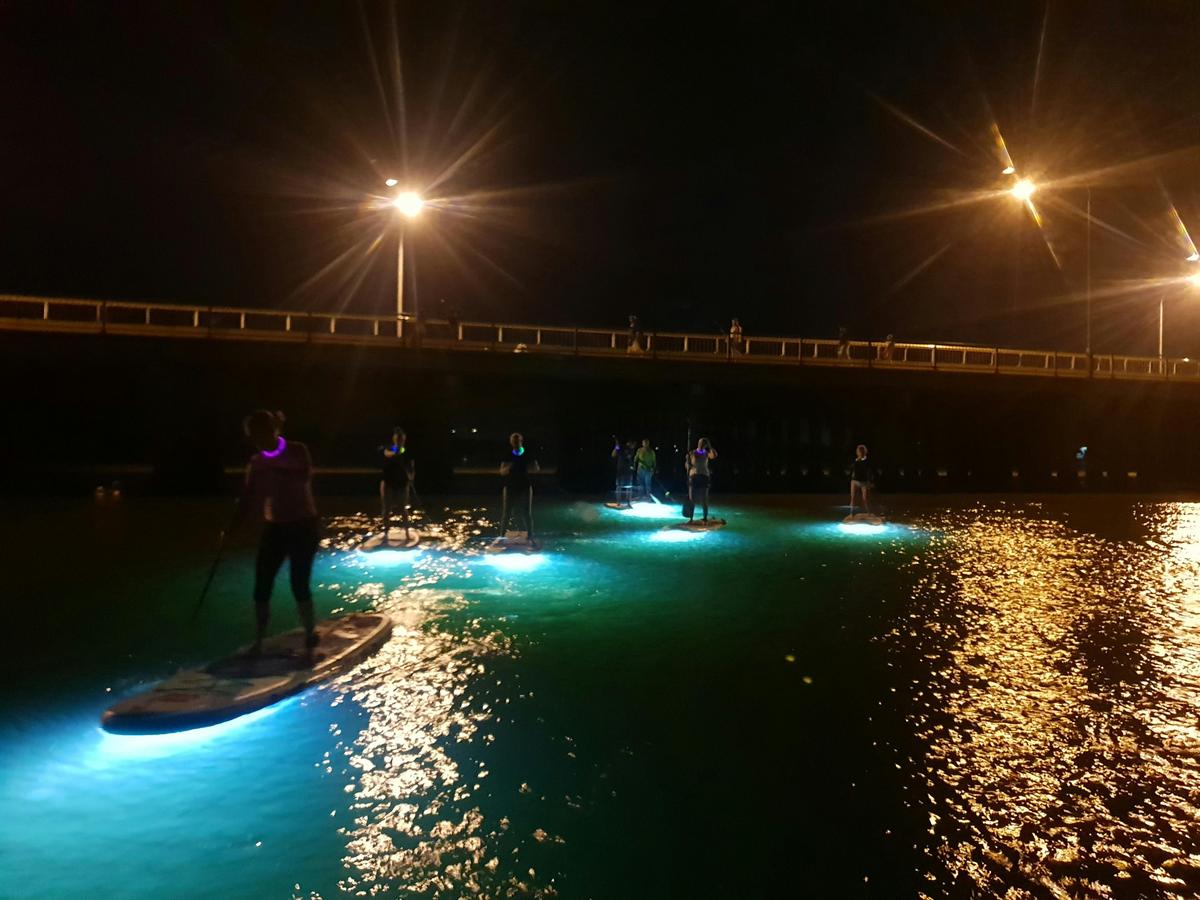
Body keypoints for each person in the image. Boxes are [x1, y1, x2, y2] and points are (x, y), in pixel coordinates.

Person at [234, 410, 319, 656]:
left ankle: (310, 633)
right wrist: (232, 528)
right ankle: (259, 641)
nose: (258, 441)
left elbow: (303, 476)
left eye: (261, 435)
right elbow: (248, 497)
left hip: (303, 525)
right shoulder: (256, 462)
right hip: (275, 527)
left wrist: (273, 468)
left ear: (273, 431)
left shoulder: (297, 450)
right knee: (261, 585)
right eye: (253, 437)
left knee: (298, 583)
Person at [499, 432, 539, 539]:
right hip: (510, 486)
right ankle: (501, 535)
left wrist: (528, 467)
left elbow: (536, 468)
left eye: (517, 441)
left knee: (526, 512)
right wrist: (509, 467)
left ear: (521, 441)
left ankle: (530, 535)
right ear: (511, 442)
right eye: (514, 441)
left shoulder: (528, 453)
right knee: (506, 512)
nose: (515, 443)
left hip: (525, 485)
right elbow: (502, 471)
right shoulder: (507, 454)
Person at [380, 427, 415, 540]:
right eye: (398, 439)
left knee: (403, 509)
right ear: (394, 439)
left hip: (402, 484)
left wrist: (411, 477)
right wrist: (396, 453)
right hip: (388, 483)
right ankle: (386, 534)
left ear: (403, 440)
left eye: (401, 440)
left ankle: (406, 533)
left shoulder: (407, 452)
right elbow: (387, 454)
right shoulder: (389, 449)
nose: (399, 441)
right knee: (386, 510)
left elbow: (411, 468)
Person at [686, 438, 718, 522]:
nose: (702, 445)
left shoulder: (707, 453)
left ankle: (705, 518)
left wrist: (710, 446)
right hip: (694, 476)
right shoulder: (692, 453)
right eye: (701, 443)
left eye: (704, 444)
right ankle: (691, 518)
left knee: (704, 499)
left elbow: (714, 455)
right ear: (698, 443)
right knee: (692, 498)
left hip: (704, 476)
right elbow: (687, 465)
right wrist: (688, 465)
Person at [850, 444, 874, 515]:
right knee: (853, 498)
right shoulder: (855, 460)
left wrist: (870, 482)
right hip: (855, 481)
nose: (858, 452)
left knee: (865, 499)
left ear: (863, 452)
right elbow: (854, 470)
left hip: (864, 481)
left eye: (860, 451)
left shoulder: (866, 460)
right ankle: (851, 513)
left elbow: (869, 471)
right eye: (858, 451)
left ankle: (869, 512)